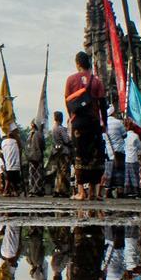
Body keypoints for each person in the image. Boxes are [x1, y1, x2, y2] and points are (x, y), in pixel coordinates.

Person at [64, 51, 107, 201]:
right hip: (93, 122)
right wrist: (104, 123)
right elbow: (103, 104)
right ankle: (93, 193)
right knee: (95, 156)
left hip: (78, 123)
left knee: (80, 156)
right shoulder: (97, 81)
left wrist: (72, 118)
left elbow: (67, 102)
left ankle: (81, 192)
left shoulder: (71, 80)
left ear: (77, 64)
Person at [103, 105, 126, 199]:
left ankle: (108, 191)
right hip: (119, 152)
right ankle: (120, 191)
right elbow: (124, 135)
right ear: (113, 113)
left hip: (108, 152)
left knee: (108, 172)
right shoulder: (119, 123)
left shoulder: (104, 124)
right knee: (119, 172)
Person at [48, 111, 73, 197]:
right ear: (60, 118)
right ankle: (64, 190)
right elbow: (67, 140)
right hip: (64, 152)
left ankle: (57, 189)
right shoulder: (61, 129)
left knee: (59, 172)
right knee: (65, 171)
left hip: (56, 152)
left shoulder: (54, 128)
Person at [26, 120, 46, 196]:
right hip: (38, 157)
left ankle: (32, 190)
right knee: (38, 174)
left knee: (32, 174)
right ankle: (37, 190)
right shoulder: (39, 134)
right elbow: (43, 146)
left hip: (30, 157)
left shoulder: (29, 134)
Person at [123, 119, 141, 198]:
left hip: (127, 158)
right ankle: (136, 191)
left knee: (127, 175)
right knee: (134, 175)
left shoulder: (125, 136)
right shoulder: (135, 136)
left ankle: (127, 191)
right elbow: (139, 147)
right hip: (134, 158)